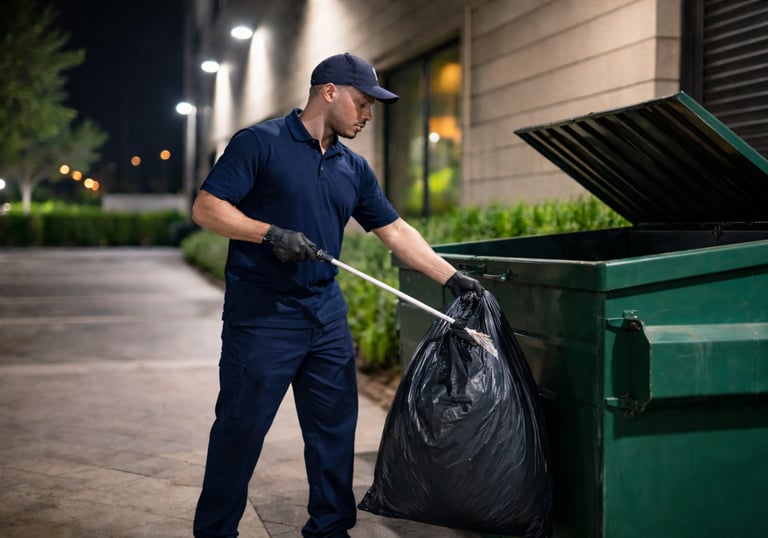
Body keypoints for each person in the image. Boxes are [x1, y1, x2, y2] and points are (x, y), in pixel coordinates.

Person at [191, 52, 483, 538]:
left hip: (325, 314)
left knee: (333, 433)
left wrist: (450, 278)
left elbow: (394, 230)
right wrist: (269, 234)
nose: (368, 115)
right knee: (240, 431)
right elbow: (207, 208)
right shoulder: (259, 144)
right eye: (362, 103)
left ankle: (329, 530)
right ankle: (215, 531)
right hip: (263, 316)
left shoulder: (354, 167)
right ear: (329, 92)